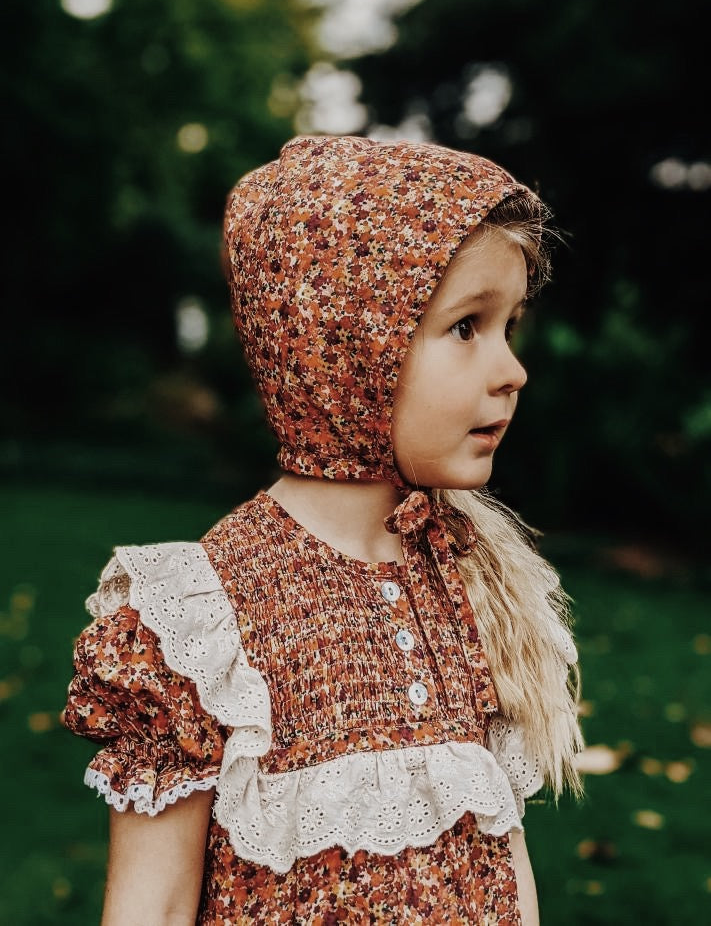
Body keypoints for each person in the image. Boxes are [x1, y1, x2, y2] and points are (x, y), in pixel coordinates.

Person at [62, 135, 583, 925]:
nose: (511, 369)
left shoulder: (467, 578)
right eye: (466, 327)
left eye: (509, 325)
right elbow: (152, 907)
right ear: (345, 347)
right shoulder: (200, 620)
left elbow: (501, 861)